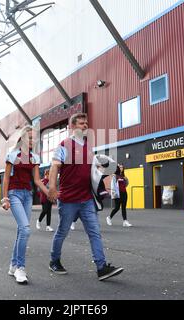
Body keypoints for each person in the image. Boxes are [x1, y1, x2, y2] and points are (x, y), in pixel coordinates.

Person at [48, 113, 124, 281]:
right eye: (81, 123)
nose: (85, 126)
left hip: (86, 199)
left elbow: (94, 169)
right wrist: (52, 188)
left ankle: (101, 267)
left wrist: (112, 168)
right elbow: (54, 167)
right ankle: (54, 261)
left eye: (86, 123)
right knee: (62, 231)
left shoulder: (89, 147)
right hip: (68, 199)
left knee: (95, 233)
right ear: (72, 126)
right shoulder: (64, 145)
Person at [2, 126, 49, 285]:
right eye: (29, 137)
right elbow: (6, 178)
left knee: (21, 230)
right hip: (14, 194)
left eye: (33, 138)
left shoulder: (34, 157)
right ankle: (20, 268)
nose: (32, 140)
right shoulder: (12, 155)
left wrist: (49, 192)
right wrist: (5, 198)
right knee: (26, 229)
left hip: (28, 196)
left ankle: (13, 265)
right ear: (22, 138)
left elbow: (37, 180)